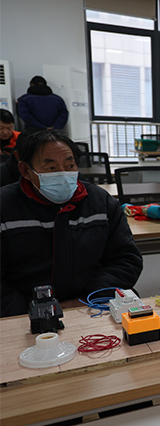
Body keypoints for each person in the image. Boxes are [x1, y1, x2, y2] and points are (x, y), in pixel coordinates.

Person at [1, 129, 143, 317]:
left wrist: (87, 300)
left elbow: (126, 260)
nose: (62, 173)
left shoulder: (101, 202)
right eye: (51, 168)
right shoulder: (5, 208)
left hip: (92, 306)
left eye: (69, 165)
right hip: (22, 315)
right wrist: (34, 312)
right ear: (26, 170)